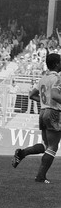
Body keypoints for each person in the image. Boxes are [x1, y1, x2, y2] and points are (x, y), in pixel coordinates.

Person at [12, 53, 61, 183]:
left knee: (46, 145)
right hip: (54, 112)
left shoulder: (43, 78)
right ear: (56, 64)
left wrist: (45, 102)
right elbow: (55, 95)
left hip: (43, 111)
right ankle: (40, 176)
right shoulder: (58, 78)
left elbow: (32, 95)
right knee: (53, 147)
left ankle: (22, 153)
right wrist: (51, 102)